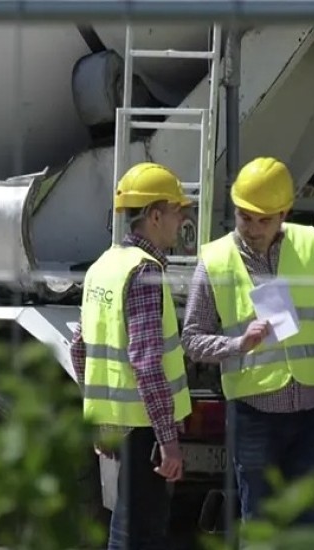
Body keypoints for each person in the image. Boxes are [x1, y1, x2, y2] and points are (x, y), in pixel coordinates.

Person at [181, 156, 314, 525]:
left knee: (313, 523)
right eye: (246, 217)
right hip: (254, 413)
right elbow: (193, 339)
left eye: (264, 219)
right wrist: (237, 345)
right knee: (260, 525)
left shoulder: (311, 245)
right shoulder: (214, 260)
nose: (254, 228)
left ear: (284, 213)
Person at [70, 161, 193, 549]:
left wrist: (100, 417)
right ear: (154, 216)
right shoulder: (144, 273)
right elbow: (145, 360)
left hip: (117, 424)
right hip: (145, 430)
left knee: (125, 526)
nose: (182, 220)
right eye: (177, 211)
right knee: (140, 533)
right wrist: (168, 438)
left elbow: (79, 349)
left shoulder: (102, 267)